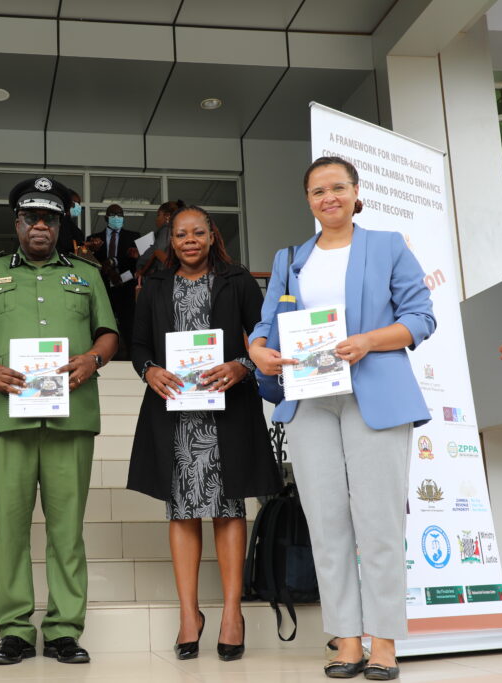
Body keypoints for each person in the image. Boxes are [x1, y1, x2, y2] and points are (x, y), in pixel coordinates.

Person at [248, 156, 436, 681]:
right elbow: (266, 324)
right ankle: (346, 640)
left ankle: (384, 643)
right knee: (326, 524)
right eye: (317, 191)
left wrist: (369, 341)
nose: (327, 197)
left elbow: (421, 318)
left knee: (378, 523)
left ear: (356, 192)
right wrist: (259, 349)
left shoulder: (387, 245)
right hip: (310, 399)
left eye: (337, 188)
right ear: (307, 200)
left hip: (375, 394)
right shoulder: (290, 258)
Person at [0, 177, 118, 667]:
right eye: (31, 218)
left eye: (49, 218)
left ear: (60, 223)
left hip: (72, 416)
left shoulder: (87, 274)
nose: (41, 226)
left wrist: (93, 359)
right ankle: (14, 632)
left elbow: (108, 332)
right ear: (18, 223)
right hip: (8, 417)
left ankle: (65, 629)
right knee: (10, 527)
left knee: (67, 528)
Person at [127, 206, 280, 663]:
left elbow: (263, 337)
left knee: (228, 506)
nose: (189, 240)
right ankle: (189, 614)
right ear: (169, 241)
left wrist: (243, 365)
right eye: (180, 234)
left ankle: (232, 612)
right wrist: (149, 371)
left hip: (226, 410)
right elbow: (138, 345)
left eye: (198, 232)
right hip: (175, 412)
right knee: (182, 507)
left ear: (212, 236)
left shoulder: (238, 281)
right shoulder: (154, 284)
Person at [88, 203, 140, 359]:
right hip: (102, 289)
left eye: (120, 215)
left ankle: (132, 359)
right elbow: (90, 262)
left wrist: (117, 267)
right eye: (113, 215)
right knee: (104, 324)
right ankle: (100, 357)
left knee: (128, 325)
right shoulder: (93, 239)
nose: (117, 218)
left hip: (126, 289)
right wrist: (109, 271)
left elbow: (136, 263)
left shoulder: (134, 237)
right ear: (106, 218)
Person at [135, 199, 185, 278]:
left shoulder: (166, 229)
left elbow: (158, 251)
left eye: (158, 215)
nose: (156, 219)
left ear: (167, 216)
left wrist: (142, 270)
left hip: (161, 277)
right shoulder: (175, 231)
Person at [57, 189, 86, 254]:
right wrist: (86, 244)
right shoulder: (58, 221)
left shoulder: (69, 222)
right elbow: (66, 244)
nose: (79, 207)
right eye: (77, 204)